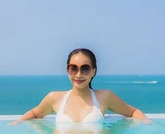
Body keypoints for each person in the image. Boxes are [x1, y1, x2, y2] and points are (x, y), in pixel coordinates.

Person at [10, 48, 151, 129]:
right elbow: (35, 113)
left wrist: (147, 123)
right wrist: (17, 123)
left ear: (93, 71)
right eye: (73, 68)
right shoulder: (55, 98)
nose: (79, 74)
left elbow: (133, 112)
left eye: (85, 68)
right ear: (67, 70)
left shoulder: (104, 97)